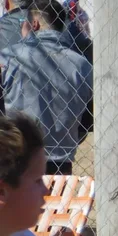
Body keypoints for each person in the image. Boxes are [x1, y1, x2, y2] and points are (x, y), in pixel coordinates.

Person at [0, 0, 92, 175]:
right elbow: (88, 119)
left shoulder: (9, 57)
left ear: (33, 24)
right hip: (62, 161)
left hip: (17, 156)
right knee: (58, 200)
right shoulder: (82, 65)